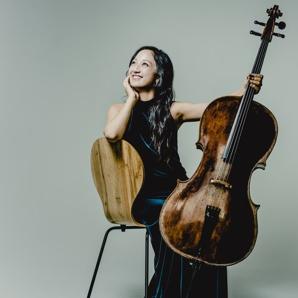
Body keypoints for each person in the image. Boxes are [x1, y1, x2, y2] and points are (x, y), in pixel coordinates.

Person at [103, 46, 263, 298]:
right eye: (134, 62)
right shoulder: (117, 110)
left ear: (158, 76)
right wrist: (131, 99)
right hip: (143, 197)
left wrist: (245, 88)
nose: (136, 67)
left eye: (145, 64)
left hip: (179, 190)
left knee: (209, 227)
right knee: (172, 223)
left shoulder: (173, 109)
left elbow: (215, 107)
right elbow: (112, 134)